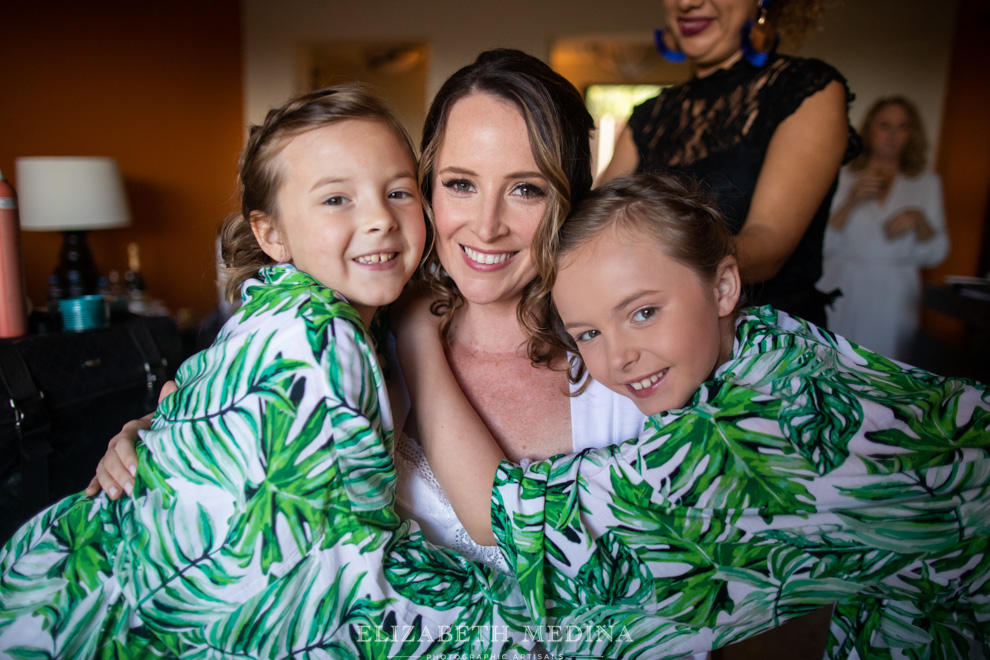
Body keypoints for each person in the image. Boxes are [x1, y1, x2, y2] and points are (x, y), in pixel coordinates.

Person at [0, 84, 533, 657]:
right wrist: (515, 626)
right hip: (89, 612)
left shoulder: (307, 308)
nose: (380, 217)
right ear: (271, 233)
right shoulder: (314, 330)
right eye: (336, 199)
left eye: (398, 192)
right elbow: (323, 574)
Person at [89, 49, 647, 575]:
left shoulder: (632, 361)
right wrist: (150, 437)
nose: (486, 225)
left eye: (527, 189)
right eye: (459, 184)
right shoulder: (351, 334)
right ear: (429, 188)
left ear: (570, 198)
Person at [398, 173, 990, 659]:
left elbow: (517, 522)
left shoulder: (766, 432)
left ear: (724, 285)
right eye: (588, 333)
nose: (619, 355)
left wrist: (414, 337)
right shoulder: (773, 345)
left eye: (645, 311)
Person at [597, 0, 860, 326]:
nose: (687, 3)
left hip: (766, 339)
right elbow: (597, 222)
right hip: (658, 335)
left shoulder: (804, 89)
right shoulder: (649, 117)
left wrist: (645, 258)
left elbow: (768, 244)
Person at [818, 95, 949, 362]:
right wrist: (852, 200)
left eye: (902, 127)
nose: (892, 135)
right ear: (869, 129)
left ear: (912, 134)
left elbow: (938, 252)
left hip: (895, 292)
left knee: (887, 366)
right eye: (885, 125)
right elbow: (821, 243)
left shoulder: (926, 183)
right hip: (843, 283)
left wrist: (920, 220)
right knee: (834, 360)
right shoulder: (842, 176)